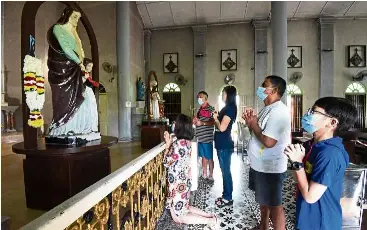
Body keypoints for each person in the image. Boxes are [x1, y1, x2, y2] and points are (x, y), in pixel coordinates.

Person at [284, 97, 357, 230]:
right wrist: (292, 159)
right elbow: (298, 178)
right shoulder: (310, 145)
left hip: (322, 222)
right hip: (306, 217)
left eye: (314, 112)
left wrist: (296, 163)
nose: (307, 115)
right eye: (309, 111)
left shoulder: (330, 154)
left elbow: (310, 197)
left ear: (332, 122)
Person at [242, 75, 291, 230]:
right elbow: (258, 132)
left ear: (274, 90)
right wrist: (251, 124)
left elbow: (269, 141)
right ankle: (263, 226)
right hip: (260, 165)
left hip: (270, 167)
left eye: (265, 85)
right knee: (264, 202)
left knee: (275, 205)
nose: (261, 88)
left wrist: (254, 124)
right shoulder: (267, 109)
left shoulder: (279, 111)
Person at [47, 7, 98, 137]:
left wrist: (80, 63)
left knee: (81, 98)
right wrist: (79, 62)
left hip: (75, 70)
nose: (77, 20)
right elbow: (66, 48)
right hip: (63, 70)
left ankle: (78, 127)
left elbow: (79, 51)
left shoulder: (74, 32)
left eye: (78, 18)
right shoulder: (58, 28)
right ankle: (63, 128)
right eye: (74, 17)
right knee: (66, 99)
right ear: (66, 15)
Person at [164, 114, 219, 229]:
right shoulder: (187, 142)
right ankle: (209, 215)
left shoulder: (177, 144)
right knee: (186, 206)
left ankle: (210, 221)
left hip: (178, 183)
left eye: (176, 124)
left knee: (180, 216)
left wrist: (167, 146)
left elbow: (166, 161)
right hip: (184, 180)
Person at [213, 85, 237, 208]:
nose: (222, 94)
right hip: (221, 144)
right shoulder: (227, 108)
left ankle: (228, 198)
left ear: (229, 94)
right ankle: (225, 195)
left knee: (226, 172)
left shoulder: (230, 109)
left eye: (223, 92)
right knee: (224, 171)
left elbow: (222, 128)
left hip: (224, 144)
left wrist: (216, 119)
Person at [193, 91, 215, 182]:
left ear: (206, 98)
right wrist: (194, 121)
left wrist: (203, 123)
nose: (199, 99)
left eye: (201, 97)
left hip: (207, 138)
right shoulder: (199, 110)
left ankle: (211, 174)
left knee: (209, 157)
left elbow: (213, 122)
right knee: (203, 157)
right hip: (200, 137)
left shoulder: (211, 109)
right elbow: (197, 121)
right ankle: (204, 174)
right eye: (198, 97)